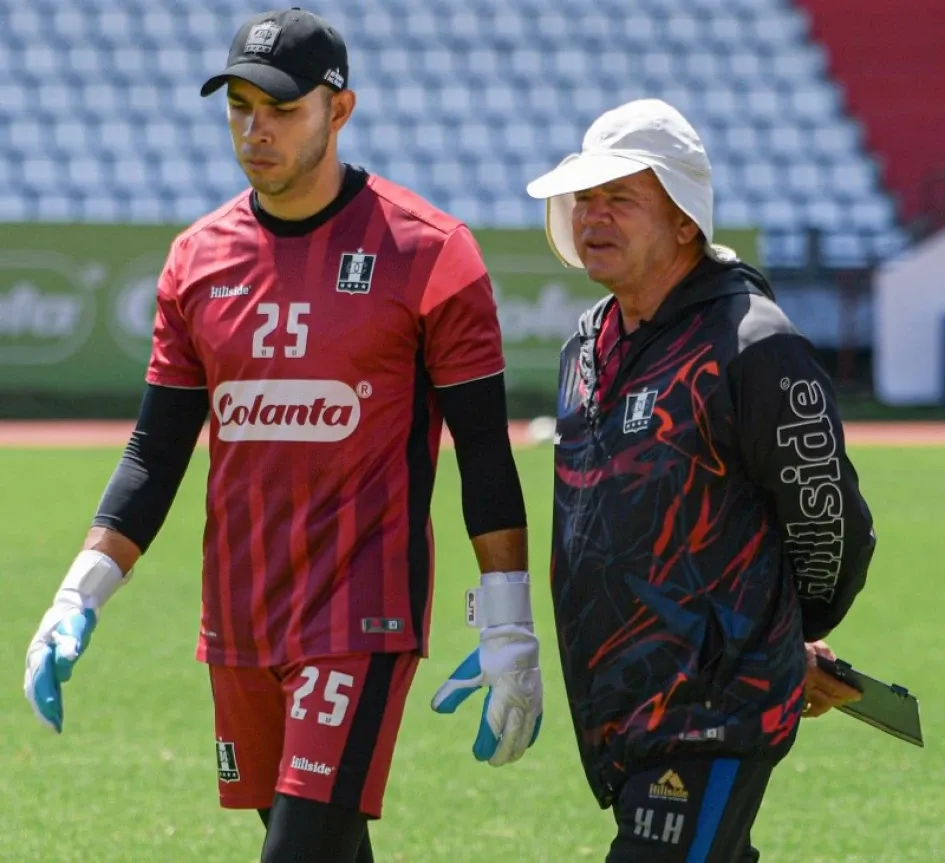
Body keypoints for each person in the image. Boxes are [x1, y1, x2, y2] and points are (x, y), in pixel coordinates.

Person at [23, 8, 543, 863]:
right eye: (237, 107)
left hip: (359, 614)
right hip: (239, 619)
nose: (253, 130)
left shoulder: (432, 252)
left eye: (280, 108)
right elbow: (155, 453)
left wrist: (508, 628)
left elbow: (484, 453)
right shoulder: (195, 260)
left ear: (340, 110)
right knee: (324, 846)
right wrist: (77, 595)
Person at [525, 98, 875, 862]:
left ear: (684, 219)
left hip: (717, 708)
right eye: (584, 198)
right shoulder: (585, 343)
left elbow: (831, 523)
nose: (593, 216)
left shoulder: (753, 344)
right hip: (623, 706)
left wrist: (783, 638)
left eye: (620, 198)